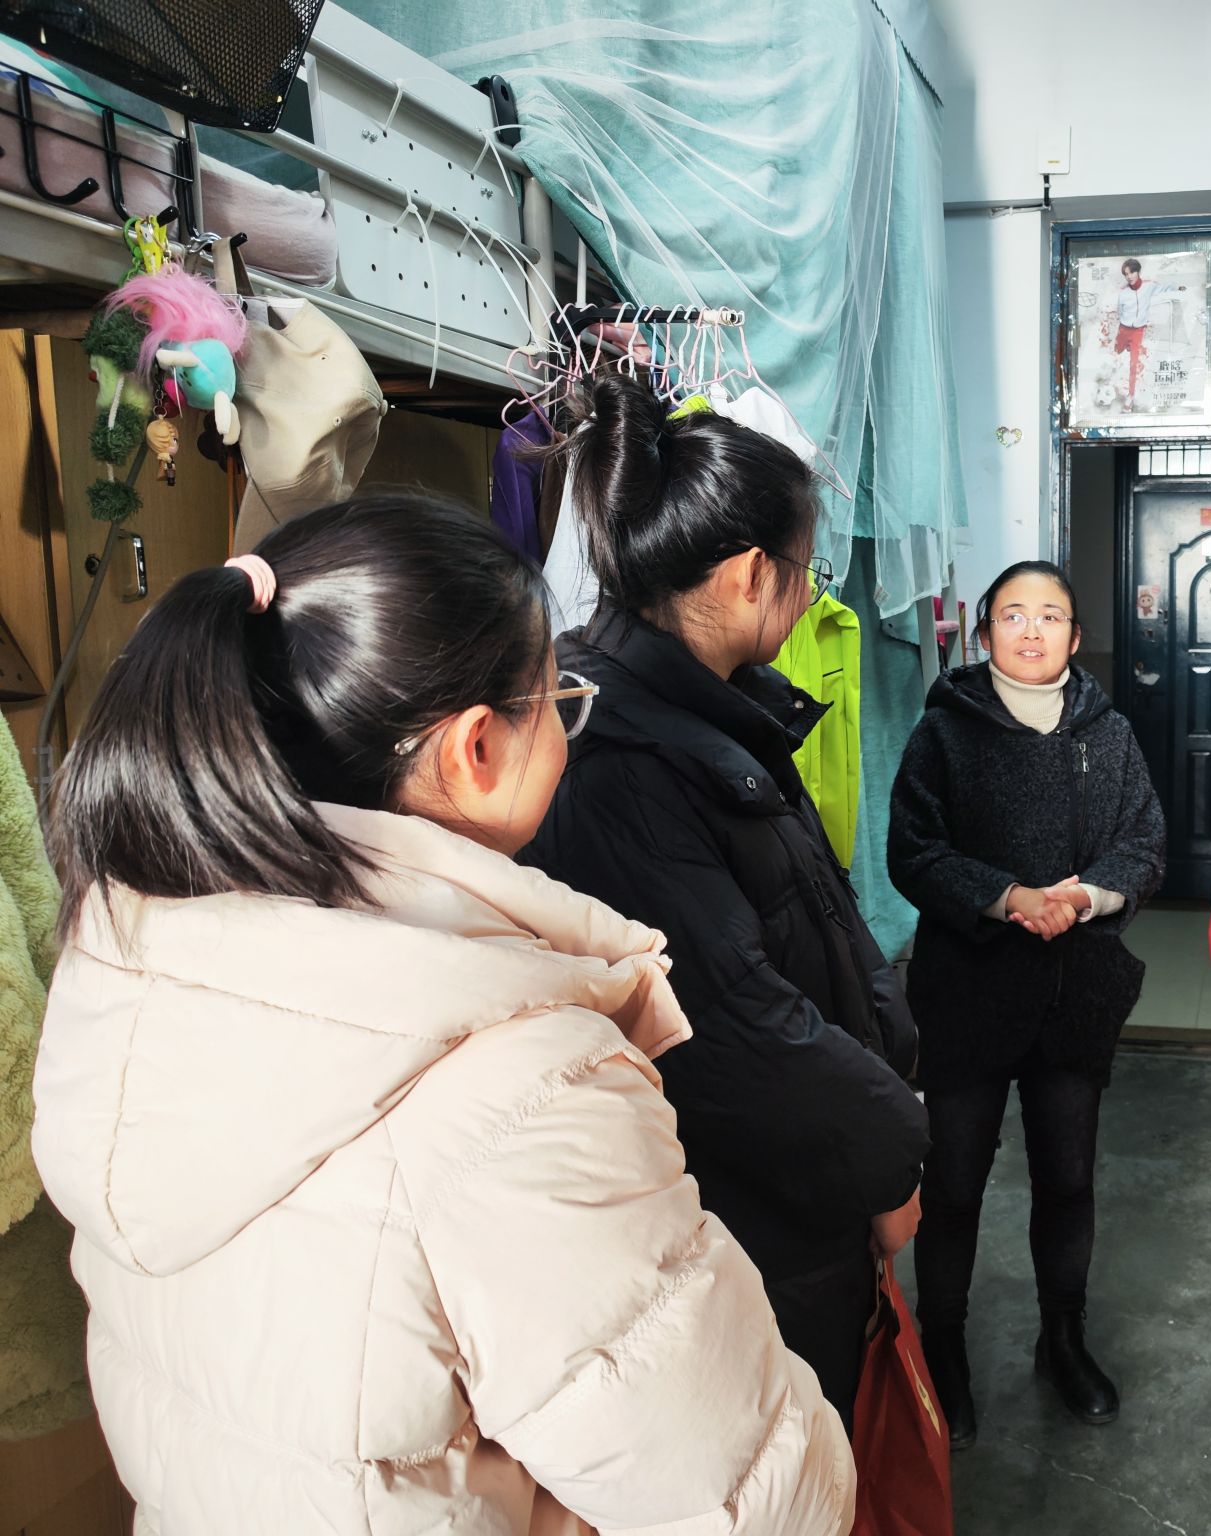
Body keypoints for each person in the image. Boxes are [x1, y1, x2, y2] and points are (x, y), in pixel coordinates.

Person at [30, 498, 851, 1534]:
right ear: (474, 750)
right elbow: (751, 1500)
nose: (567, 727)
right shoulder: (520, 1086)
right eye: (557, 701)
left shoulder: (133, 967)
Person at [524, 376, 928, 1430]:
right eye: (807, 571)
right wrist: (890, 1154)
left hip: (799, 1184)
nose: (807, 595)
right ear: (752, 576)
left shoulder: (713, 712)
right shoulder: (624, 756)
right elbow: (729, 1025)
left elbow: (808, 922)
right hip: (749, 1214)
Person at [888, 561, 1165, 1447]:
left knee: (1069, 1176)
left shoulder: (1107, 733)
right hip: (967, 992)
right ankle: (944, 1346)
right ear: (986, 635)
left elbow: (1145, 843)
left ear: (1076, 637)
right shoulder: (944, 731)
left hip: (1072, 988)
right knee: (955, 1181)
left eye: (1051, 615)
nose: (1033, 630)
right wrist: (1006, 897)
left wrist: (1084, 897)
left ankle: (1063, 1338)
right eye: (1014, 615)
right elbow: (913, 852)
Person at [1107, 257, 1186, 408]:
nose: (1129, 277)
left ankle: (1130, 395)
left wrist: (1178, 287)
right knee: (1115, 354)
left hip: (1138, 331)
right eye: (1126, 274)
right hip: (1123, 329)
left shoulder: (1149, 286)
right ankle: (1109, 382)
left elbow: (1164, 287)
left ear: (1138, 272)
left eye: (1131, 273)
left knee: (1133, 364)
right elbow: (1119, 311)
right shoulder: (1123, 293)